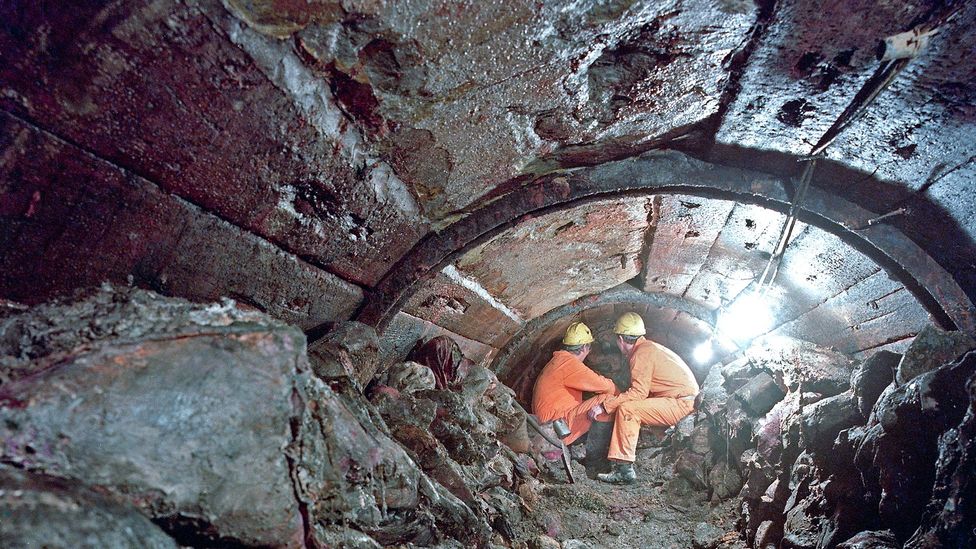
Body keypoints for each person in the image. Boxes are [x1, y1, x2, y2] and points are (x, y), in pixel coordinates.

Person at [589, 312, 699, 484]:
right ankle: (667, 456)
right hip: (683, 401)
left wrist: (605, 406)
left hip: (682, 404)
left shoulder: (642, 354)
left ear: (620, 339)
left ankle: (623, 470)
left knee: (629, 409)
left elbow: (638, 393)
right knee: (636, 406)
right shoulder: (649, 348)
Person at [532, 321, 618, 445]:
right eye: (589, 347)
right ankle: (599, 454)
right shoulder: (569, 364)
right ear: (584, 347)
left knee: (602, 404)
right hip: (555, 430)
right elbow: (607, 387)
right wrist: (627, 397)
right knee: (609, 400)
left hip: (549, 425)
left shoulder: (559, 361)